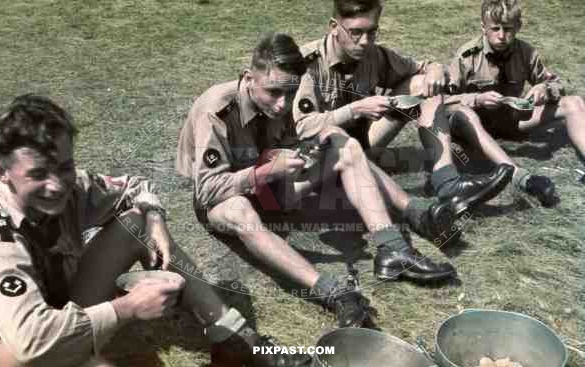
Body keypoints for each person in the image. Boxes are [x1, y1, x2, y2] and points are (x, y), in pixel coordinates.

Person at [0, 94, 310, 367]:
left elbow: (136, 187)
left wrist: (154, 219)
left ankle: (232, 338)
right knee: (48, 352)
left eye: (64, 167)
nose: (56, 185)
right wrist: (127, 308)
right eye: (38, 174)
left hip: (62, 314)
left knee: (136, 221)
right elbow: (31, 341)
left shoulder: (74, 187)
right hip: (11, 359)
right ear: (1, 172)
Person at [176, 32, 468, 333]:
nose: (282, 105)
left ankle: (393, 249)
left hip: (272, 187)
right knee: (239, 211)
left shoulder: (280, 98)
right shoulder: (216, 109)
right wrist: (264, 173)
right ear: (248, 77)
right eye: (274, 92)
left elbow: (286, 141)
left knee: (345, 145)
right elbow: (207, 189)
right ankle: (333, 293)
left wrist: (300, 156)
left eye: (289, 95)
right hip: (226, 198)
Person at [293, 0, 514, 214]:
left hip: (364, 143)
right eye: (355, 32)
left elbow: (423, 68)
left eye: (372, 32)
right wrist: (355, 109)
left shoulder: (374, 55)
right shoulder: (307, 64)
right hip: (321, 159)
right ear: (334, 27)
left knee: (422, 84)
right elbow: (302, 127)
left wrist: (435, 70)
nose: (364, 41)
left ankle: (447, 183)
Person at [446, 0, 585, 204]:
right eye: (495, 29)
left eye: (508, 29)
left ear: (518, 27)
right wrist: (477, 99)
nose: (501, 36)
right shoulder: (467, 56)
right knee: (465, 114)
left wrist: (544, 88)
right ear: (483, 27)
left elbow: (556, 82)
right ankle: (520, 176)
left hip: (512, 120)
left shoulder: (526, 52)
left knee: (574, 103)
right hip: (474, 127)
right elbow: (444, 102)